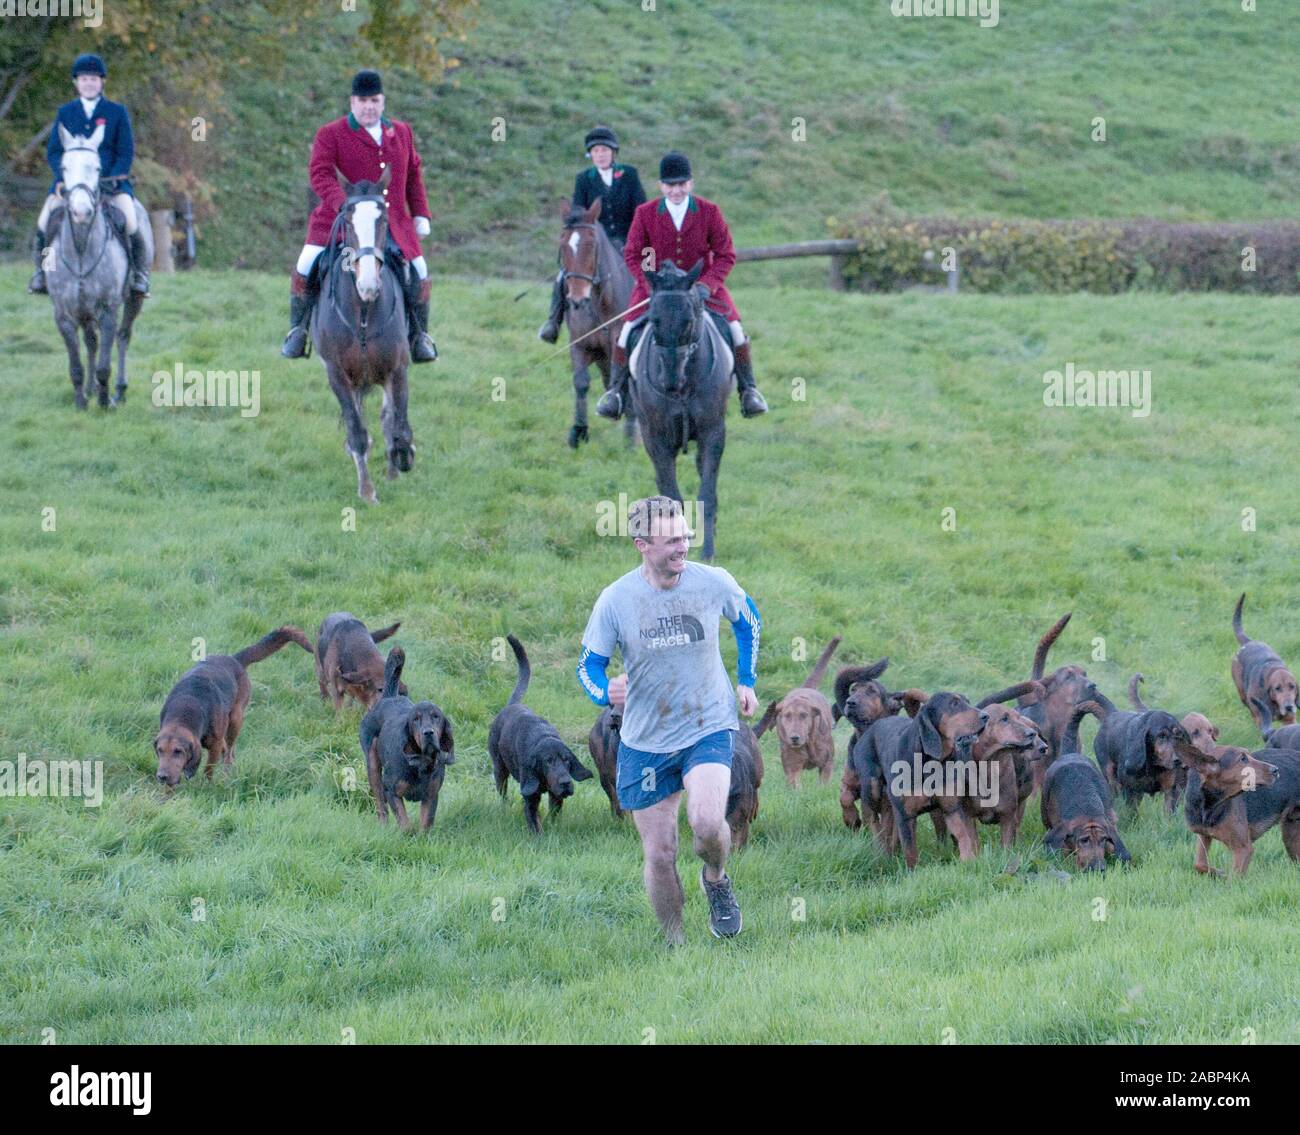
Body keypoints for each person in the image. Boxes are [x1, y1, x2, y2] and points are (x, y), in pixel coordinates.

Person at [576, 495, 762, 944]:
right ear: (642, 544)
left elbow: (748, 620)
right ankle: (676, 944)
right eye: (671, 540)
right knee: (660, 854)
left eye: (685, 536)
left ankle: (716, 878)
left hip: (708, 724)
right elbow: (588, 666)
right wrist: (606, 692)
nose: (683, 546)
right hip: (644, 740)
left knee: (704, 823)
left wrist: (746, 679)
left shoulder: (712, 582)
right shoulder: (616, 599)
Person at [597, 150, 767, 420]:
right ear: (661, 186)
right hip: (656, 289)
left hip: (701, 287)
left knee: (734, 328)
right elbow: (637, 253)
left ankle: (749, 391)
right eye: (670, 185)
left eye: (681, 184)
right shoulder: (646, 213)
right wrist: (650, 281)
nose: (675, 190)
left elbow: (725, 255)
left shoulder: (709, 212)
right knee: (627, 330)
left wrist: (706, 285)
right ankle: (615, 393)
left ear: (690, 183)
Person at [282, 69, 436, 362]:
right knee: (305, 265)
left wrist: (421, 213)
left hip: (391, 224)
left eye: (375, 100)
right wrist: (342, 204)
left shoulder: (401, 132)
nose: (369, 106)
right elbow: (320, 173)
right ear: (352, 102)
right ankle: (298, 332)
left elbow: (414, 174)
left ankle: (419, 337)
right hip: (338, 221)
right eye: (363, 101)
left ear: (383, 102)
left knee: (420, 270)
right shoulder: (330, 133)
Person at [28, 53, 149, 296]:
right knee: (44, 225)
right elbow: (53, 152)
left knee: (132, 222)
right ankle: (42, 274)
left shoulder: (117, 112)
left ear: (102, 82)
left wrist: (114, 178)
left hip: (111, 185)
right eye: (84, 79)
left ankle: (139, 275)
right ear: (76, 83)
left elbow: (125, 151)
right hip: (70, 185)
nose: (89, 83)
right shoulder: (65, 112)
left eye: (94, 79)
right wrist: (62, 179)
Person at [537, 124, 645, 343]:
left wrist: (634, 241)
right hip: (594, 243)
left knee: (650, 271)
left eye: (604, 150)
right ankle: (553, 322)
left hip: (626, 241)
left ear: (613, 152)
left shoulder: (629, 175)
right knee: (562, 277)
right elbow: (578, 212)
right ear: (591, 155)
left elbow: (640, 209)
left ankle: (650, 320)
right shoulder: (584, 179)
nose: (600, 155)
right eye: (595, 152)